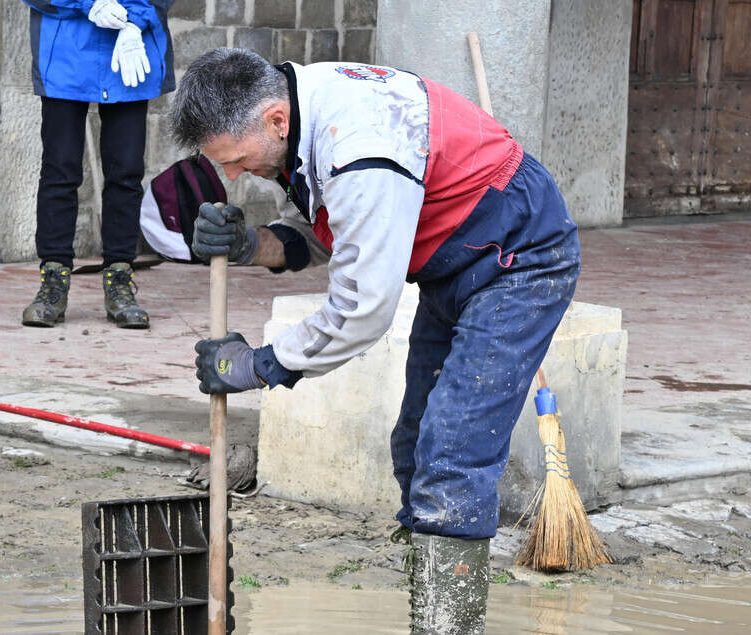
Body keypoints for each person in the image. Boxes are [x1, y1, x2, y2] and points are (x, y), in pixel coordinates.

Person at [170, 48, 580, 633]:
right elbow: (340, 236)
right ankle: (430, 607)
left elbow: (362, 310)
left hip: (519, 259)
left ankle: (446, 627)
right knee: (416, 444)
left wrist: (263, 365)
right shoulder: (304, 113)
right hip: (452, 262)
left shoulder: (359, 144)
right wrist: (251, 245)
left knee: (453, 452)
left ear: (275, 121)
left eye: (234, 160)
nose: (231, 175)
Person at [19, 0, 175, 329]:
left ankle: (120, 278)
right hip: (66, 51)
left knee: (126, 173)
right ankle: (53, 279)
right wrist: (89, 4)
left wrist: (135, 20)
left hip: (131, 47)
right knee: (59, 171)